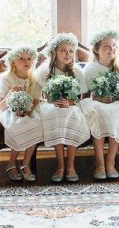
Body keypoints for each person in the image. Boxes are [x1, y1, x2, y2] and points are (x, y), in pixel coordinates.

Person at [35, 33, 90, 183]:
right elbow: (37, 95)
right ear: (54, 52)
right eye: (63, 50)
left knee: (72, 115)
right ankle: (60, 165)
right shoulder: (45, 70)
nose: (67, 54)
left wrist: (70, 103)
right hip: (50, 105)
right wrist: (51, 101)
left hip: (71, 105)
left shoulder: (77, 71)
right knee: (55, 115)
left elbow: (83, 97)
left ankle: (71, 166)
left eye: (71, 51)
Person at [79, 30, 119, 180]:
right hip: (96, 103)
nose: (111, 49)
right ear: (96, 49)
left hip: (116, 103)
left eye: (114, 45)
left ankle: (110, 162)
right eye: (106, 46)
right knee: (98, 113)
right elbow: (84, 96)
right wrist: (98, 99)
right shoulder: (90, 68)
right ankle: (100, 163)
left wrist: (116, 98)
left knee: (117, 112)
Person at [0, 47, 42, 182]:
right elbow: (1, 106)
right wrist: (11, 93)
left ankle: (26, 163)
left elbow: (36, 101)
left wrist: (27, 111)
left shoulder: (35, 77)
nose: (26, 62)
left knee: (37, 123)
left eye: (29, 59)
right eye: (21, 58)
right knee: (17, 124)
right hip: (8, 110)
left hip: (29, 109)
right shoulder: (7, 78)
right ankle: (11, 163)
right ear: (13, 62)